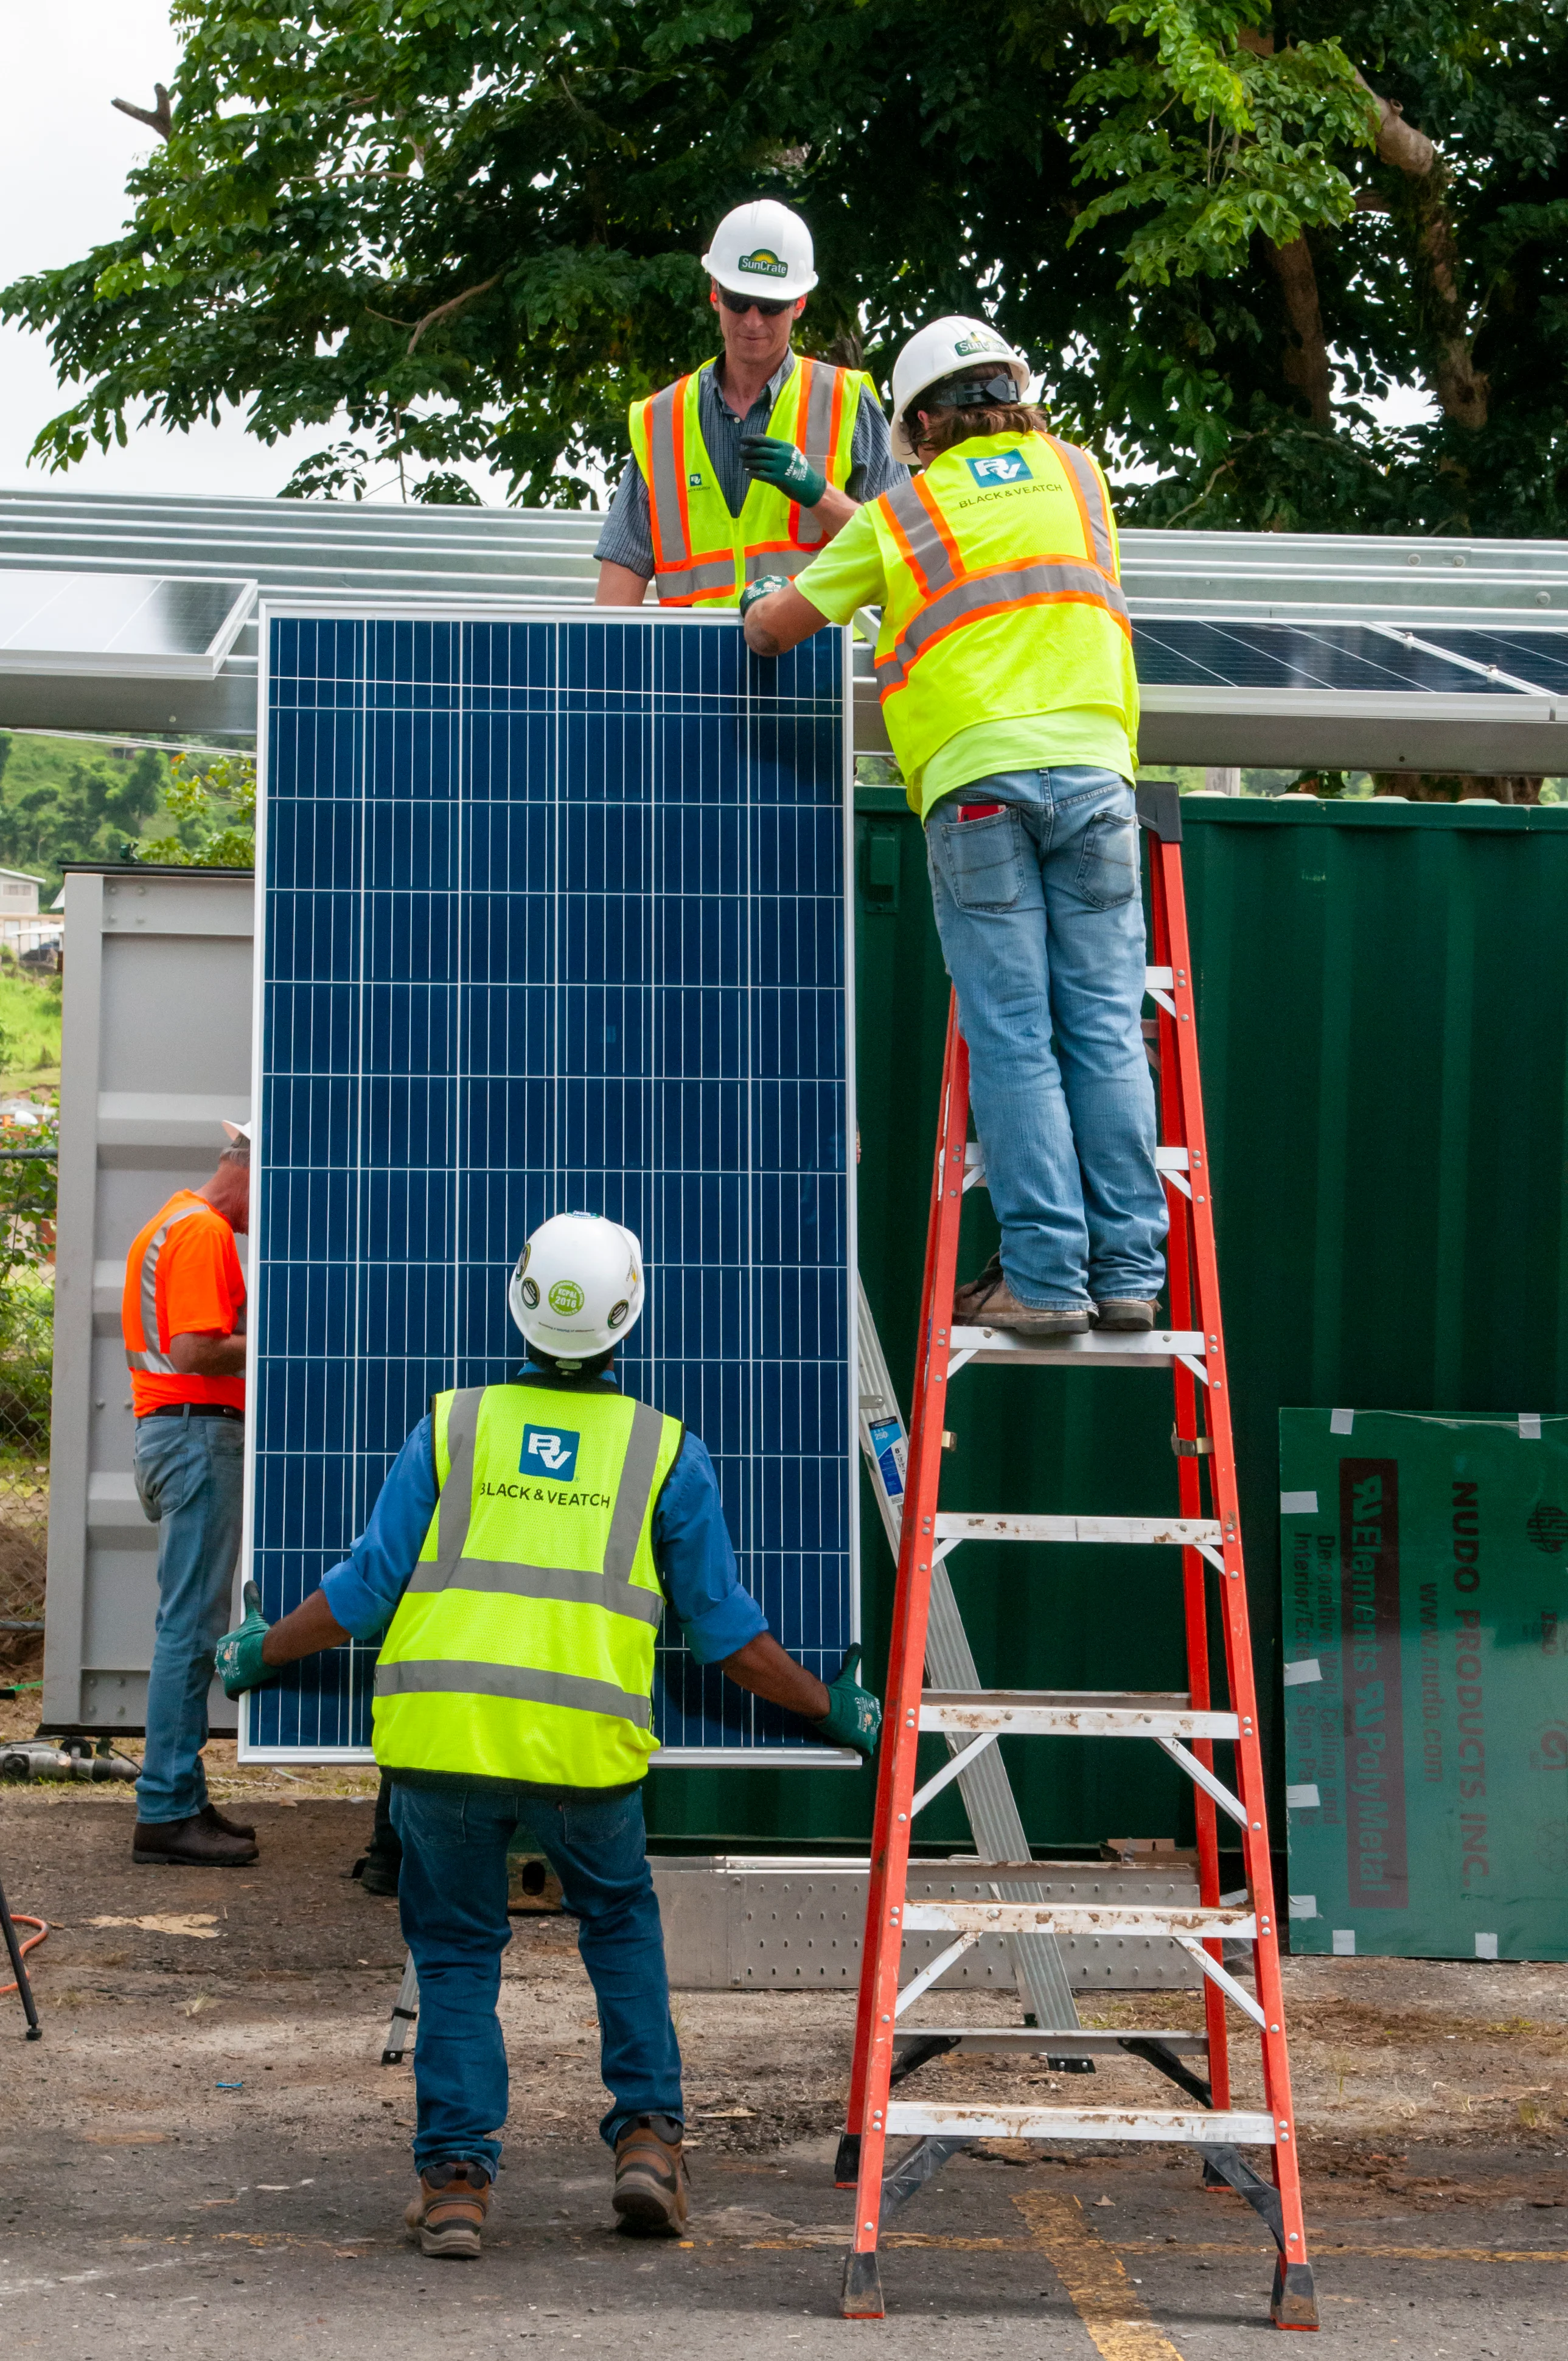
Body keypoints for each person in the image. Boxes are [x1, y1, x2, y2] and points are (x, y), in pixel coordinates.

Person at [215, 1211, 880, 2258]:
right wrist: (829, 1707)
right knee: (617, 1926)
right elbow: (725, 1636)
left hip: (442, 1746)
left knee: (456, 1954)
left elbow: (361, 1593)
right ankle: (650, 2145)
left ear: (519, 1302)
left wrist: (257, 1655)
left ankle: (455, 2188)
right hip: (585, 1757)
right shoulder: (666, 1452)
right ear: (629, 1318)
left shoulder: (453, 1425)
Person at [740, 318, 1166, 1336]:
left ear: (921, 422)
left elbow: (776, 628)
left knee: (1014, 1037)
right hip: (1100, 777)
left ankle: (1046, 1282)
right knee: (1105, 1028)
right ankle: (1127, 1276)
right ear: (1012, 392)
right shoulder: (1079, 474)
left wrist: (765, 595)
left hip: (978, 786)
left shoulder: (905, 511)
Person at [594, 198, 906, 607]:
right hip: (694, 665)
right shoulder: (661, 419)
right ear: (714, 294)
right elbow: (621, 577)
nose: (753, 321)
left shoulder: (845, 402)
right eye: (739, 301)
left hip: (813, 662)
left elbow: (902, 551)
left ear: (799, 303)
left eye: (771, 306)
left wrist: (819, 495)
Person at [122, 1120, 258, 1867]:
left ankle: (182, 1792)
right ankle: (168, 1807)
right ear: (246, 1168)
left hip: (169, 1432)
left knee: (189, 1622)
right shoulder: (204, 1231)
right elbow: (196, 1348)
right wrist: (279, 1330)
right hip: (197, 1435)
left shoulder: (169, 1220)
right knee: (192, 1628)